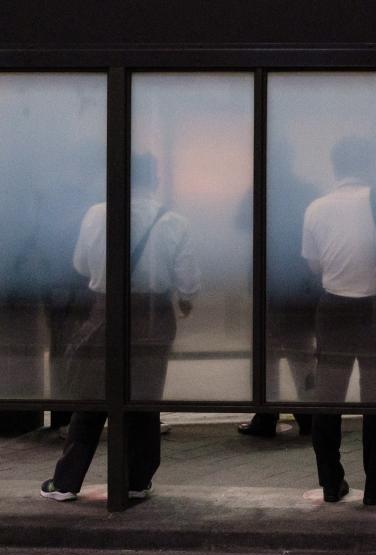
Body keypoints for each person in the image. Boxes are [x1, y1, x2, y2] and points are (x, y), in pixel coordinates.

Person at [40, 152, 200, 501]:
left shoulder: (97, 214)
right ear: (154, 178)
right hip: (154, 316)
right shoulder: (174, 221)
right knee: (144, 396)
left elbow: (81, 265)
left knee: (93, 393)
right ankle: (137, 479)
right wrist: (185, 301)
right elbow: (188, 281)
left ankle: (66, 482)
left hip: (105, 311)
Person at [301, 137, 376, 506]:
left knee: (329, 399)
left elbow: (313, 265)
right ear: (369, 164)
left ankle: (331, 482)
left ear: (335, 167)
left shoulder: (316, 209)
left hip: (333, 308)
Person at [237, 144, 317, 438]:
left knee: (267, 353)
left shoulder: (259, 191)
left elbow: (240, 222)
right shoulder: (306, 190)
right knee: (301, 352)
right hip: (299, 286)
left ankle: (266, 415)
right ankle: (308, 415)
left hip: (267, 284)